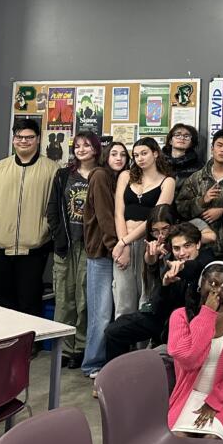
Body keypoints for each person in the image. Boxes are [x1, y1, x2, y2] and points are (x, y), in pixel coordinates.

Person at [0, 117, 59, 316]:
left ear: (38, 139)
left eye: (29, 137)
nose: (24, 141)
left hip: (33, 250)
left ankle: (30, 338)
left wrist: (44, 228)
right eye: (19, 137)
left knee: (29, 303)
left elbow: (56, 205)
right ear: (13, 139)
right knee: (3, 303)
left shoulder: (52, 170)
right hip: (0, 248)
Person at [104, 217, 214, 365]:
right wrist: (165, 285)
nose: (182, 253)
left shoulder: (209, 261)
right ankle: (117, 375)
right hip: (165, 320)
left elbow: (196, 267)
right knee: (115, 331)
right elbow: (158, 306)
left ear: (198, 244)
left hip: (192, 325)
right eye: (176, 248)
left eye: (187, 246)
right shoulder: (171, 263)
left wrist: (182, 267)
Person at [167, 261, 223, 439]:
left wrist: (215, 401)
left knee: (211, 441)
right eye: (213, 283)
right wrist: (208, 313)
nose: (217, 291)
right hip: (187, 396)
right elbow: (189, 359)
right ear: (201, 282)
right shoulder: (179, 316)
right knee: (179, 440)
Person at [47, 130, 101, 368]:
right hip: (65, 246)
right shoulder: (63, 175)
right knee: (64, 300)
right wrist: (57, 235)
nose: (81, 150)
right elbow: (52, 209)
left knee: (84, 299)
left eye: (86, 145)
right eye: (77, 146)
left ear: (96, 149)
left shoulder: (102, 175)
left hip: (90, 246)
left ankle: (80, 348)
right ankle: (64, 349)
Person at [81, 140, 129, 379]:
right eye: (114, 154)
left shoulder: (122, 179)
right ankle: (93, 364)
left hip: (116, 250)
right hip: (102, 253)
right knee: (100, 312)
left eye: (123, 155)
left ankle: (111, 363)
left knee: (115, 311)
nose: (119, 158)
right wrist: (115, 247)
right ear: (106, 157)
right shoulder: (100, 176)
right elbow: (104, 216)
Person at [112, 137, 175, 318]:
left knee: (146, 297)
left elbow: (154, 219)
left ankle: (143, 337)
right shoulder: (125, 176)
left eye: (144, 153)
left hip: (149, 243)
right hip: (123, 239)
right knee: (123, 298)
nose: (140, 158)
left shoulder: (167, 181)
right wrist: (123, 243)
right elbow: (118, 213)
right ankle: (122, 336)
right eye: (136, 155)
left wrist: (124, 242)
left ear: (155, 153)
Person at [177, 128, 223, 259]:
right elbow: (181, 208)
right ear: (212, 149)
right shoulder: (197, 178)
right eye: (219, 145)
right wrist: (202, 200)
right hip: (200, 248)